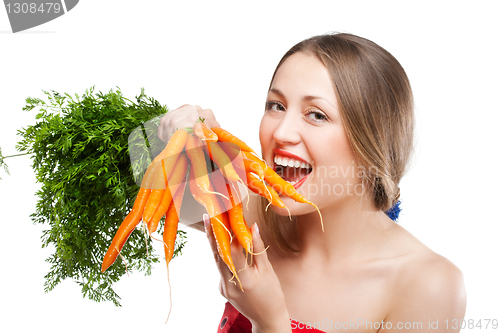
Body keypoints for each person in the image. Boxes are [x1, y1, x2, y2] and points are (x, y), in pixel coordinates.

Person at [157, 33, 466, 332]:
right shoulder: (251, 217)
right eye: (276, 106)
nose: (281, 133)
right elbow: (143, 184)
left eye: (316, 115)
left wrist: (270, 323)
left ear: (372, 142)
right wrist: (180, 138)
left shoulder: (428, 285)